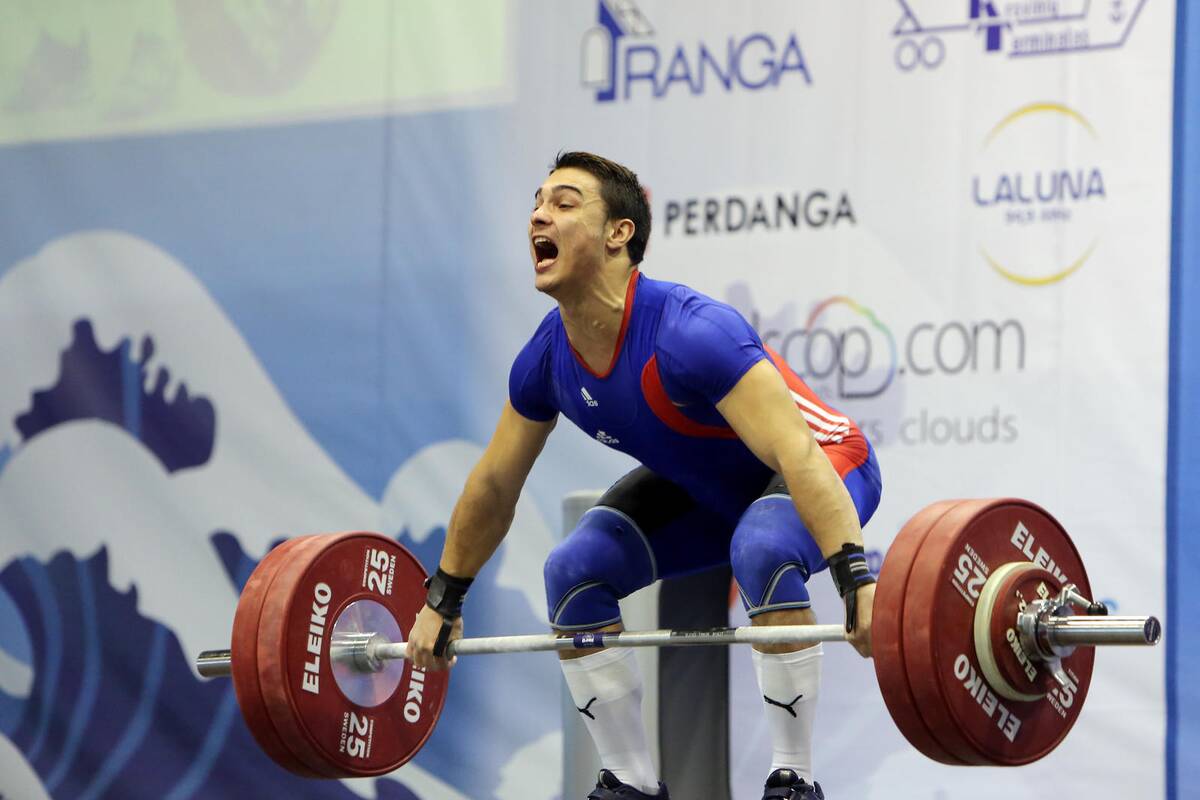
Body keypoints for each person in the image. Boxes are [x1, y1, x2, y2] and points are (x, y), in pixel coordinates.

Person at [407, 152, 882, 800]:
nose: (539, 216)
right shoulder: (545, 360)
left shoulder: (690, 333)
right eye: (537, 203)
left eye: (564, 203)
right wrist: (444, 599)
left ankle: (793, 780)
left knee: (764, 548)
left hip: (830, 462)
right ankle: (629, 784)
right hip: (710, 495)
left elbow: (798, 455)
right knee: (572, 572)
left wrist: (856, 579)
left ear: (618, 233)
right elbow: (494, 486)